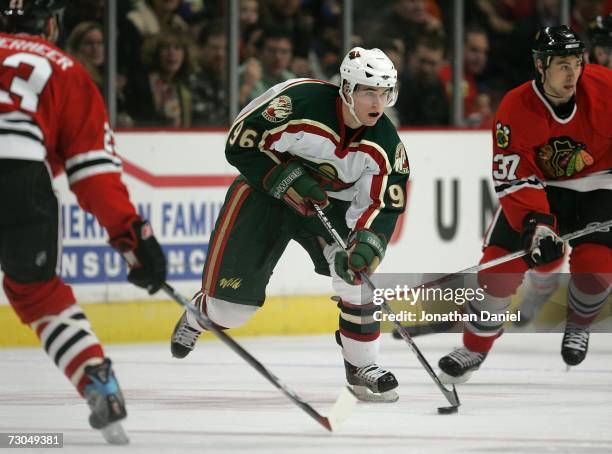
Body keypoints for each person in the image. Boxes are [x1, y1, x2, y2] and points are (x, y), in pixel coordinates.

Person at [170, 47, 410, 402]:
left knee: (356, 276)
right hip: (263, 197)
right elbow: (241, 142)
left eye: (384, 92)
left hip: (326, 208)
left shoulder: (387, 146)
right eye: (368, 91)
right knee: (230, 312)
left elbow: (381, 207)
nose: (378, 102)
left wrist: (365, 246)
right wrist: (287, 177)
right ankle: (198, 316)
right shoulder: (298, 101)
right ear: (346, 88)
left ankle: (362, 369)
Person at [0, 0, 167, 444]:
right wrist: (132, 237)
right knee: (36, 293)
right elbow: (94, 178)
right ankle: (96, 378)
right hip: (20, 182)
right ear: (52, 24)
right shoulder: (67, 71)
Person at [437, 25, 611, 384]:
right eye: (562, 64)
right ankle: (474, 348)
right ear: (540, 65)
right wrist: (538, 223)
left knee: (597, 266)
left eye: (576, 62)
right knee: (496, 272)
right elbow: (514, 174)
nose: (571, 73)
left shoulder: (606, 88)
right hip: (543, 188)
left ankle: (578, 324)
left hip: (602, 184)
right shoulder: (516, 106)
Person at [512, 14, 612, 328]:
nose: (604, 55)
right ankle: (543, 287)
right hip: (555, 180)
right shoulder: (567, 84)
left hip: (600, 180)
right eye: (602, 47)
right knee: (542, 247)